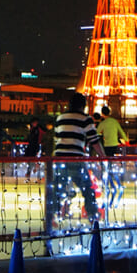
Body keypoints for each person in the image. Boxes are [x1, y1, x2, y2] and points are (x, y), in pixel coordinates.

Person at [47, 92, 103, 231]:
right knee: (87, 189)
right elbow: (94, 140)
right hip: (76, 158)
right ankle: (92, 217)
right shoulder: (85, 119)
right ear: (83, 105)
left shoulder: (60, 118)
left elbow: (57, 138)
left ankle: (51, 217)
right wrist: (103, 156)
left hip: (59, 157)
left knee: (57, 189)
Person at [99, 106, 127, 208]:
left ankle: (110, 184)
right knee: (112, 166)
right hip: (115, 146)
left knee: (107, 166)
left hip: (106, 146)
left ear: (102, 113)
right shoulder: (114, 122)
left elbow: (97, 132)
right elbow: (121, 132)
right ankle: (116, 184)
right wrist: (125, 139)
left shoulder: (103, 123)